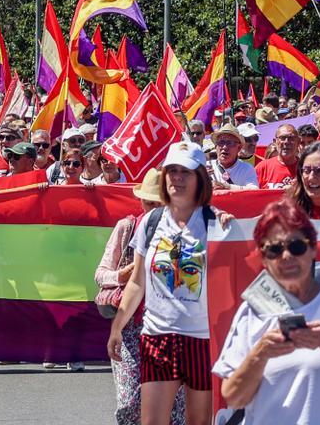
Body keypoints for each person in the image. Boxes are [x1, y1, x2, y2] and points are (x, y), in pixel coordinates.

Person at [213, 199, 320, 424]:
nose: (286, 256)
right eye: (275, 249)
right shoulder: (253, 311)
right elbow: (234, 397)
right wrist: (261, 353)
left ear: (313, 249)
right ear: (264, 259)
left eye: (296, 246)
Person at [107, 142, 220, 425]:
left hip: (203, 341)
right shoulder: (151, 221)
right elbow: (137, 281)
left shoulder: (215, 223)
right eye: (172, 171)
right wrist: (117, 326)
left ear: (200, 179)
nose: (177, 178)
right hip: (157, 336)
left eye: (185, 172)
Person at [96, 168, 185, 425]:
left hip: (170, 329)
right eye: (147, 202)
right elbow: (101, 273)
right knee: (130, 401)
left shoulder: (183, 232)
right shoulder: (127, 227)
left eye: (157, 203)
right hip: (131, 328)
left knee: (175, 407)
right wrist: (120, 277)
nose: (151, 209)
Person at [208, 126, 259, 190]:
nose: (224, 147)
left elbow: (254, 190)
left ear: (239, 148)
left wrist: (227, 187)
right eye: (221, 142)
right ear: (216, 146)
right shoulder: (206, 166)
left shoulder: (246, 169)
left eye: (230, 143)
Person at [256, 124, 300, 190]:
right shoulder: (263, 168)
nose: (286, 142)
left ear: (298, 142)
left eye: (291, 138)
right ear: (275, 142)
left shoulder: (306, 168)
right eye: (282, 138)